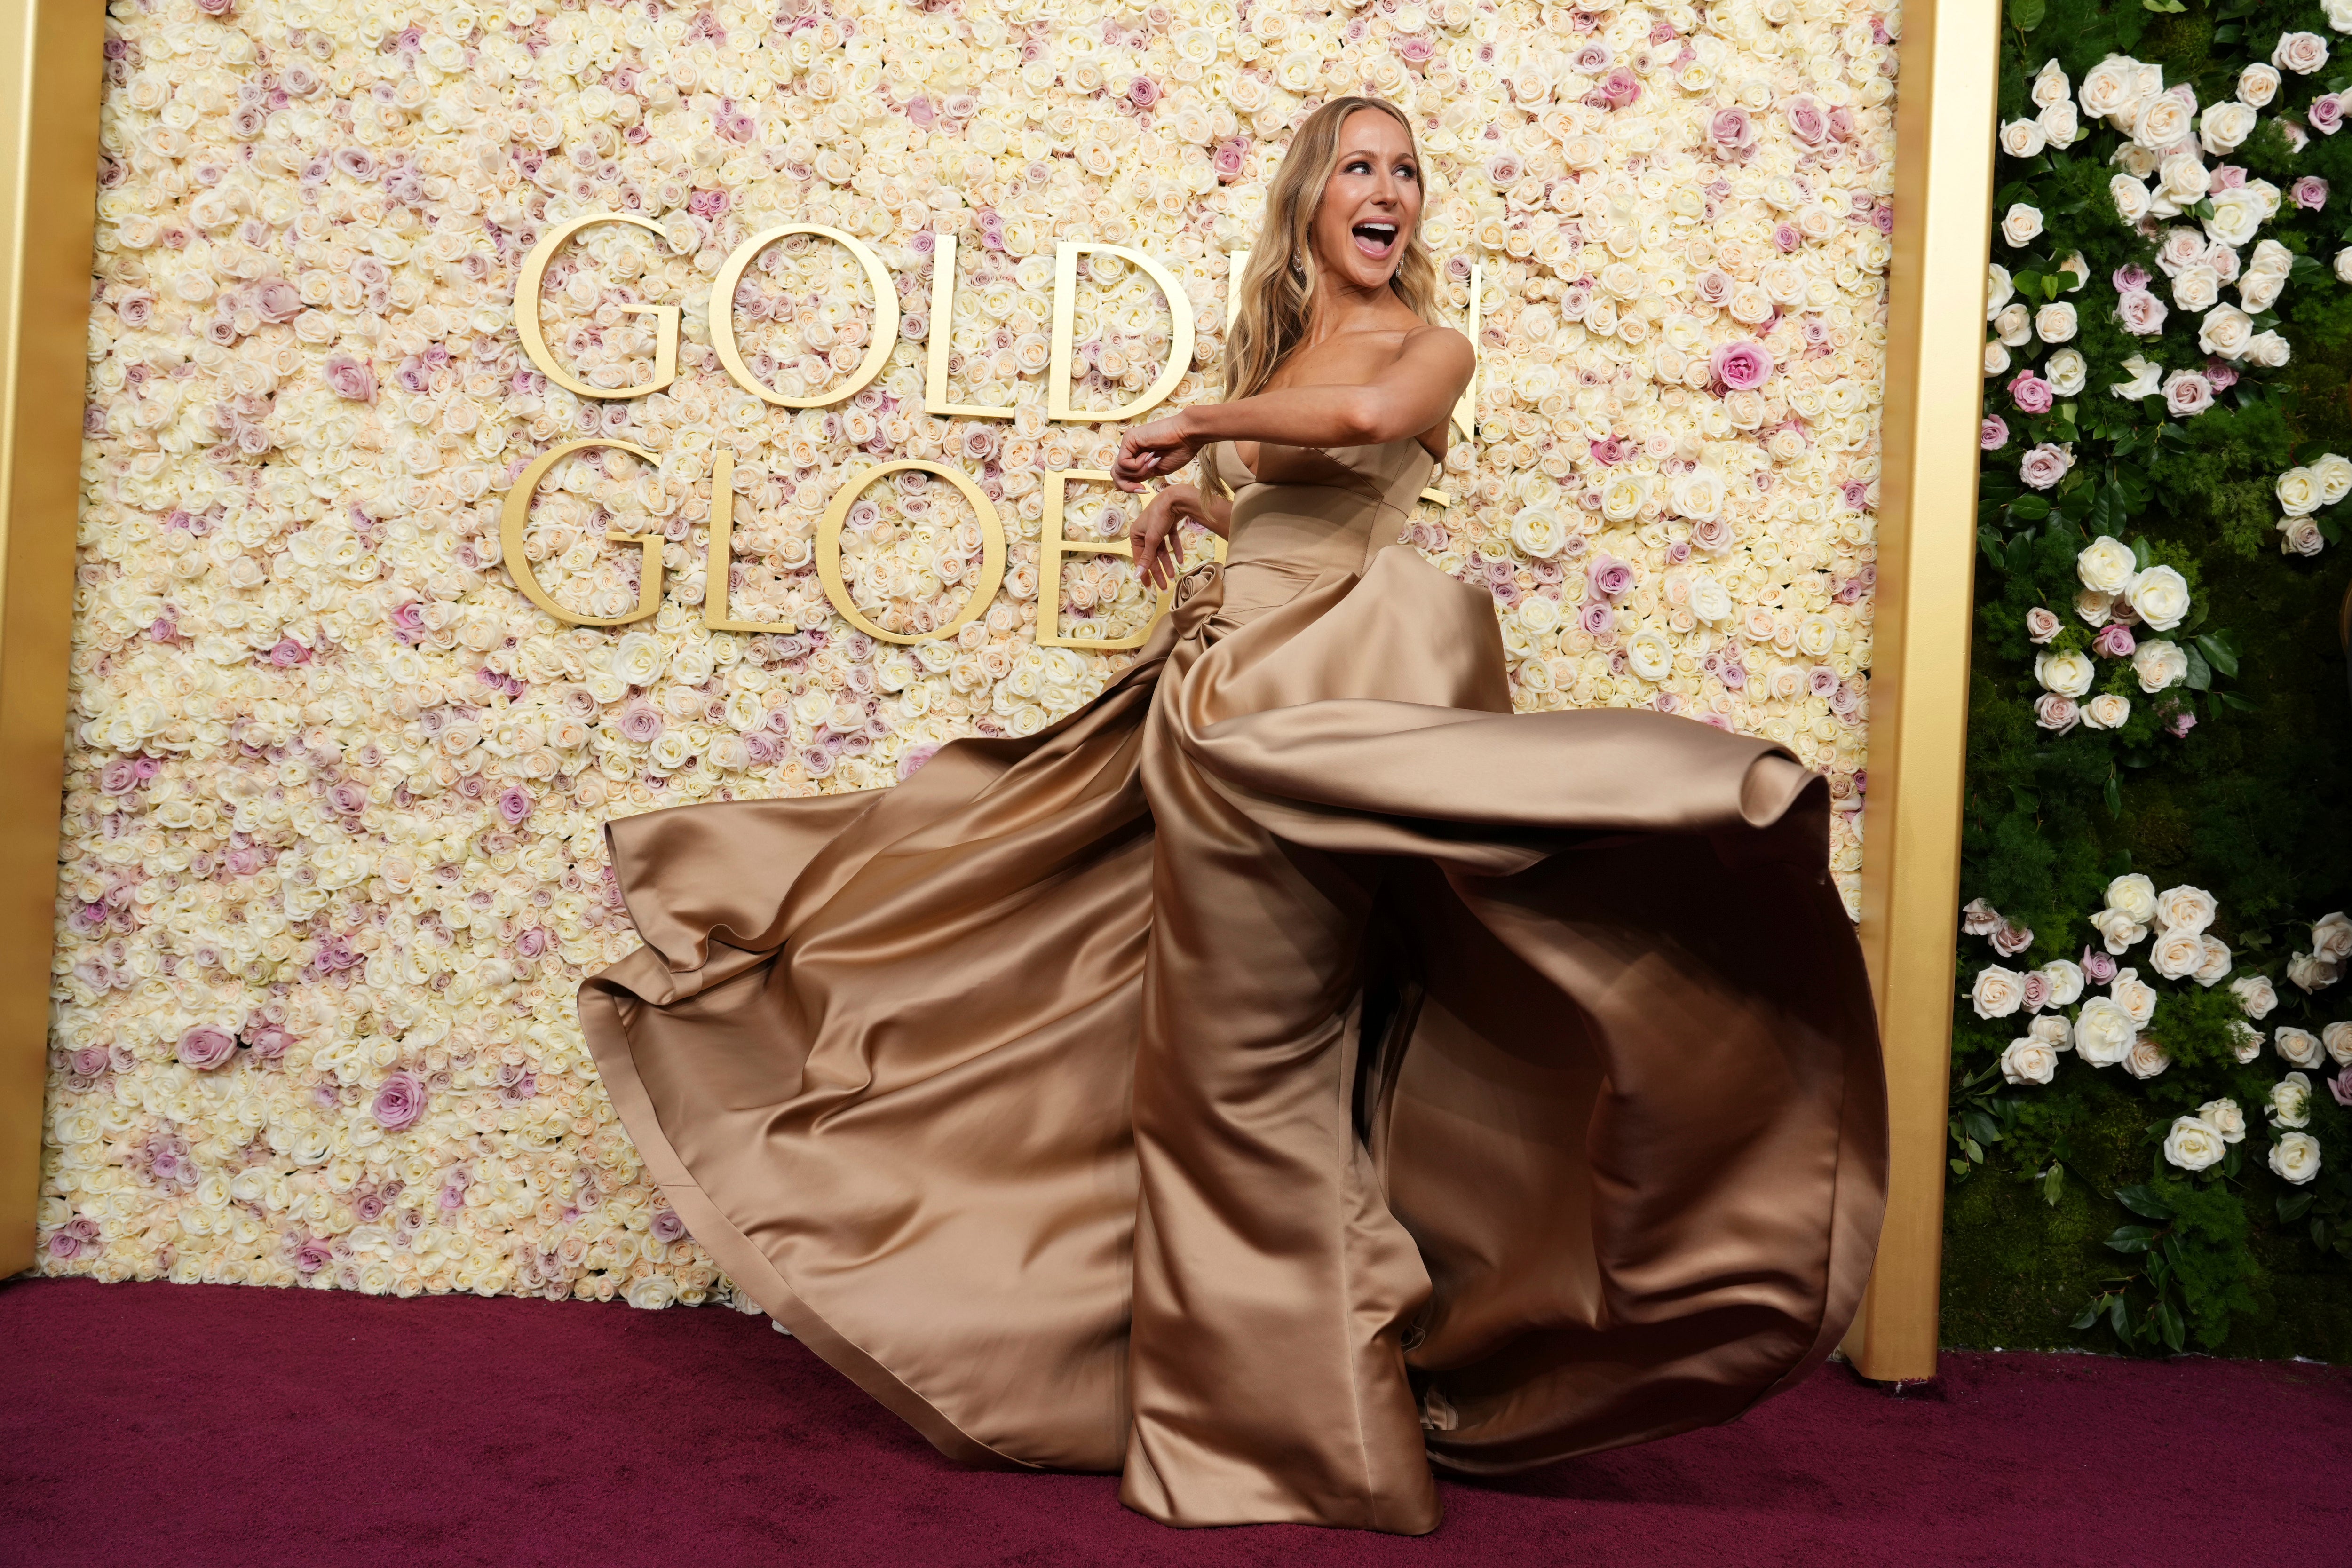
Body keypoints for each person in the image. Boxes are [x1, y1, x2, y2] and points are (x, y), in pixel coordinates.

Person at [579, 95, 1885, 1536]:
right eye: (1358, 167)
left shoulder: (1423, 348)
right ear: (1309, 203)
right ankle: (1266, 1420)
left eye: (1404, 171)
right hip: (1223, 706)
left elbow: (1375, 425)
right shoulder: (1290, 355)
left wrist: (1204, 421)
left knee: (1246, 1073)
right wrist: (1203, 509)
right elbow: (1301, 486)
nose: (1386, 190)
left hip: (1320, 724)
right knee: (1175, 1051)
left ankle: (1294, 1443)